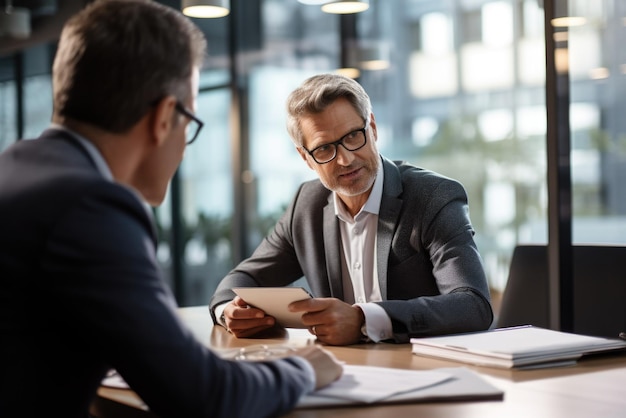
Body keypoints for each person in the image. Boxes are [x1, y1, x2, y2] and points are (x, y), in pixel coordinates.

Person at [0, 1, 342, 417]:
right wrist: (301, 369)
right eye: (190, 121)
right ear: (165, 117)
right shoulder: (91, 207)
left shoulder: (15, 169)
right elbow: (204, 396)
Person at [210, 73, 494, 346]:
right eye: (324, 149)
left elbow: (472, 304)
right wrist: (228, 312)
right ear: (305, 157)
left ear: (372, 127)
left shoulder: (433, 197)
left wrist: (363, 318)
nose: (345, 159)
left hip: (429, 374)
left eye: (353, 136)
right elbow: (243, 278)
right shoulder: (306, 204)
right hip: (343, 375)